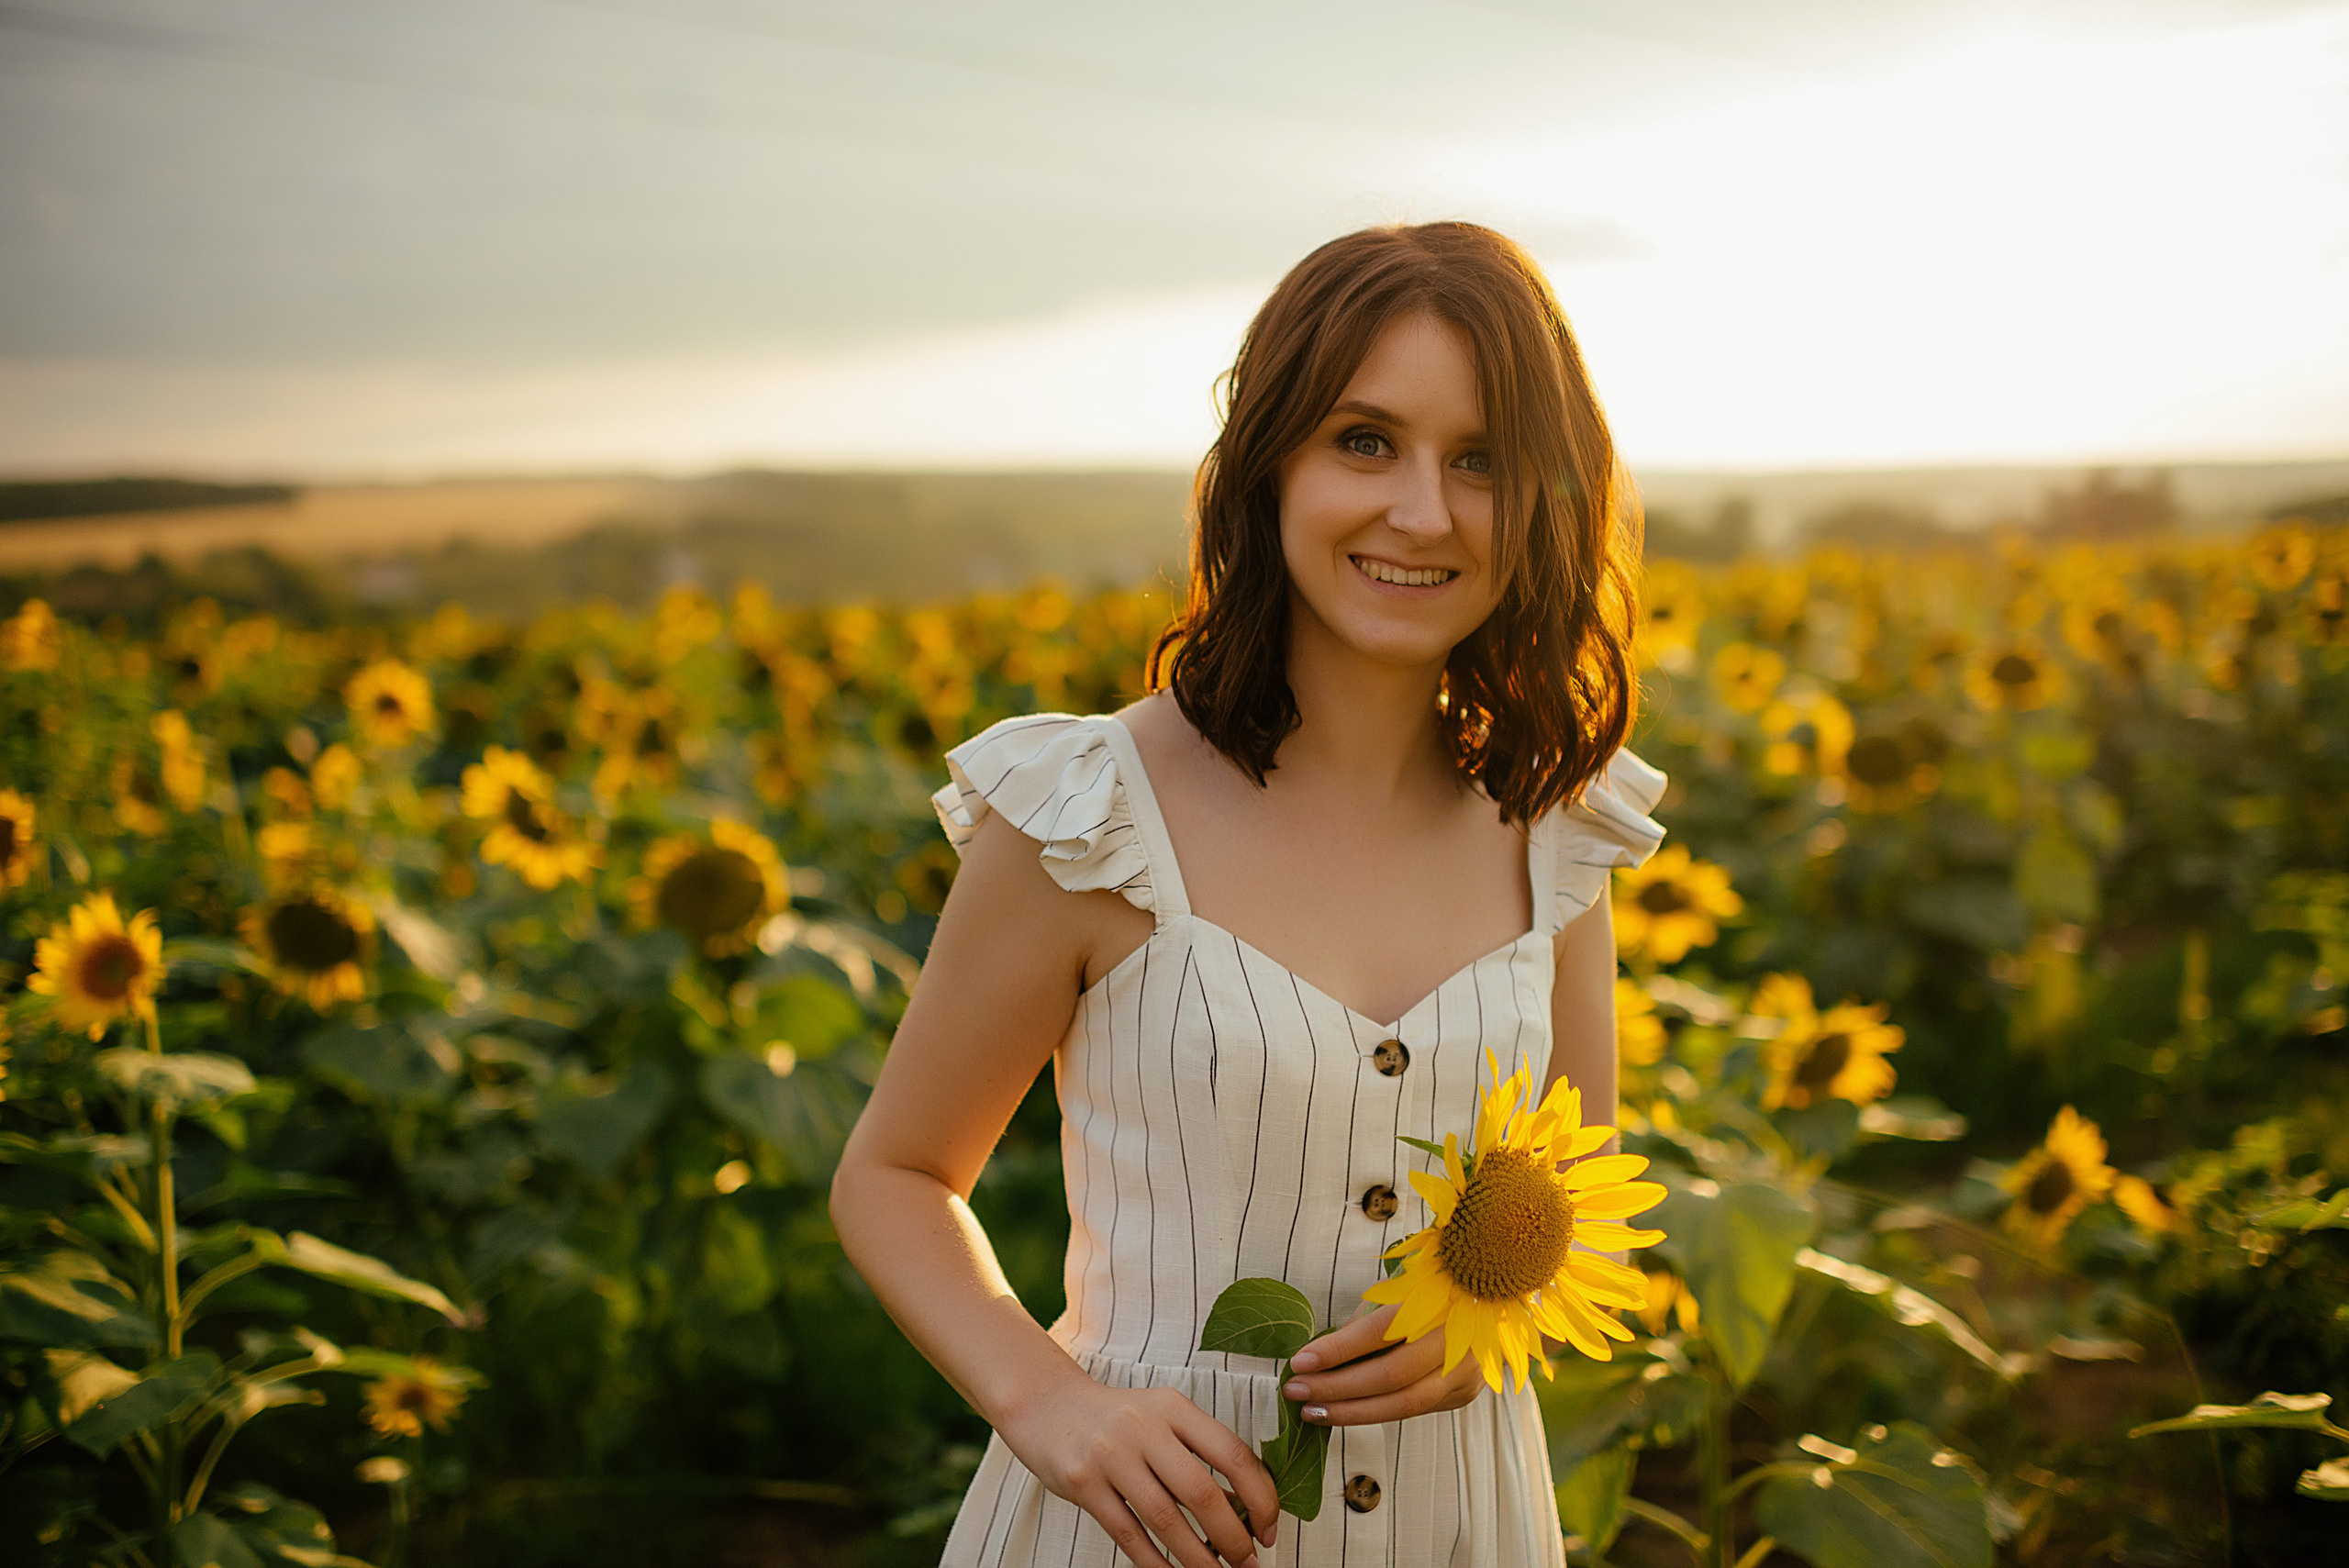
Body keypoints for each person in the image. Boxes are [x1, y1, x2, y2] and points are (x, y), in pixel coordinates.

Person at [829, 221, 1667, 1568]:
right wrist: (1050, 1400)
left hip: (1466, 1523)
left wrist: (1479, 1322)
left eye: (1482, 461)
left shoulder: (1557, 824)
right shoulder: (1091, 813)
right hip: (1139, 1529)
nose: (1423, 512)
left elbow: (1569, 1179)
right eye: (1364, 441)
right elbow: (894, 1174)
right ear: (1269, 459)